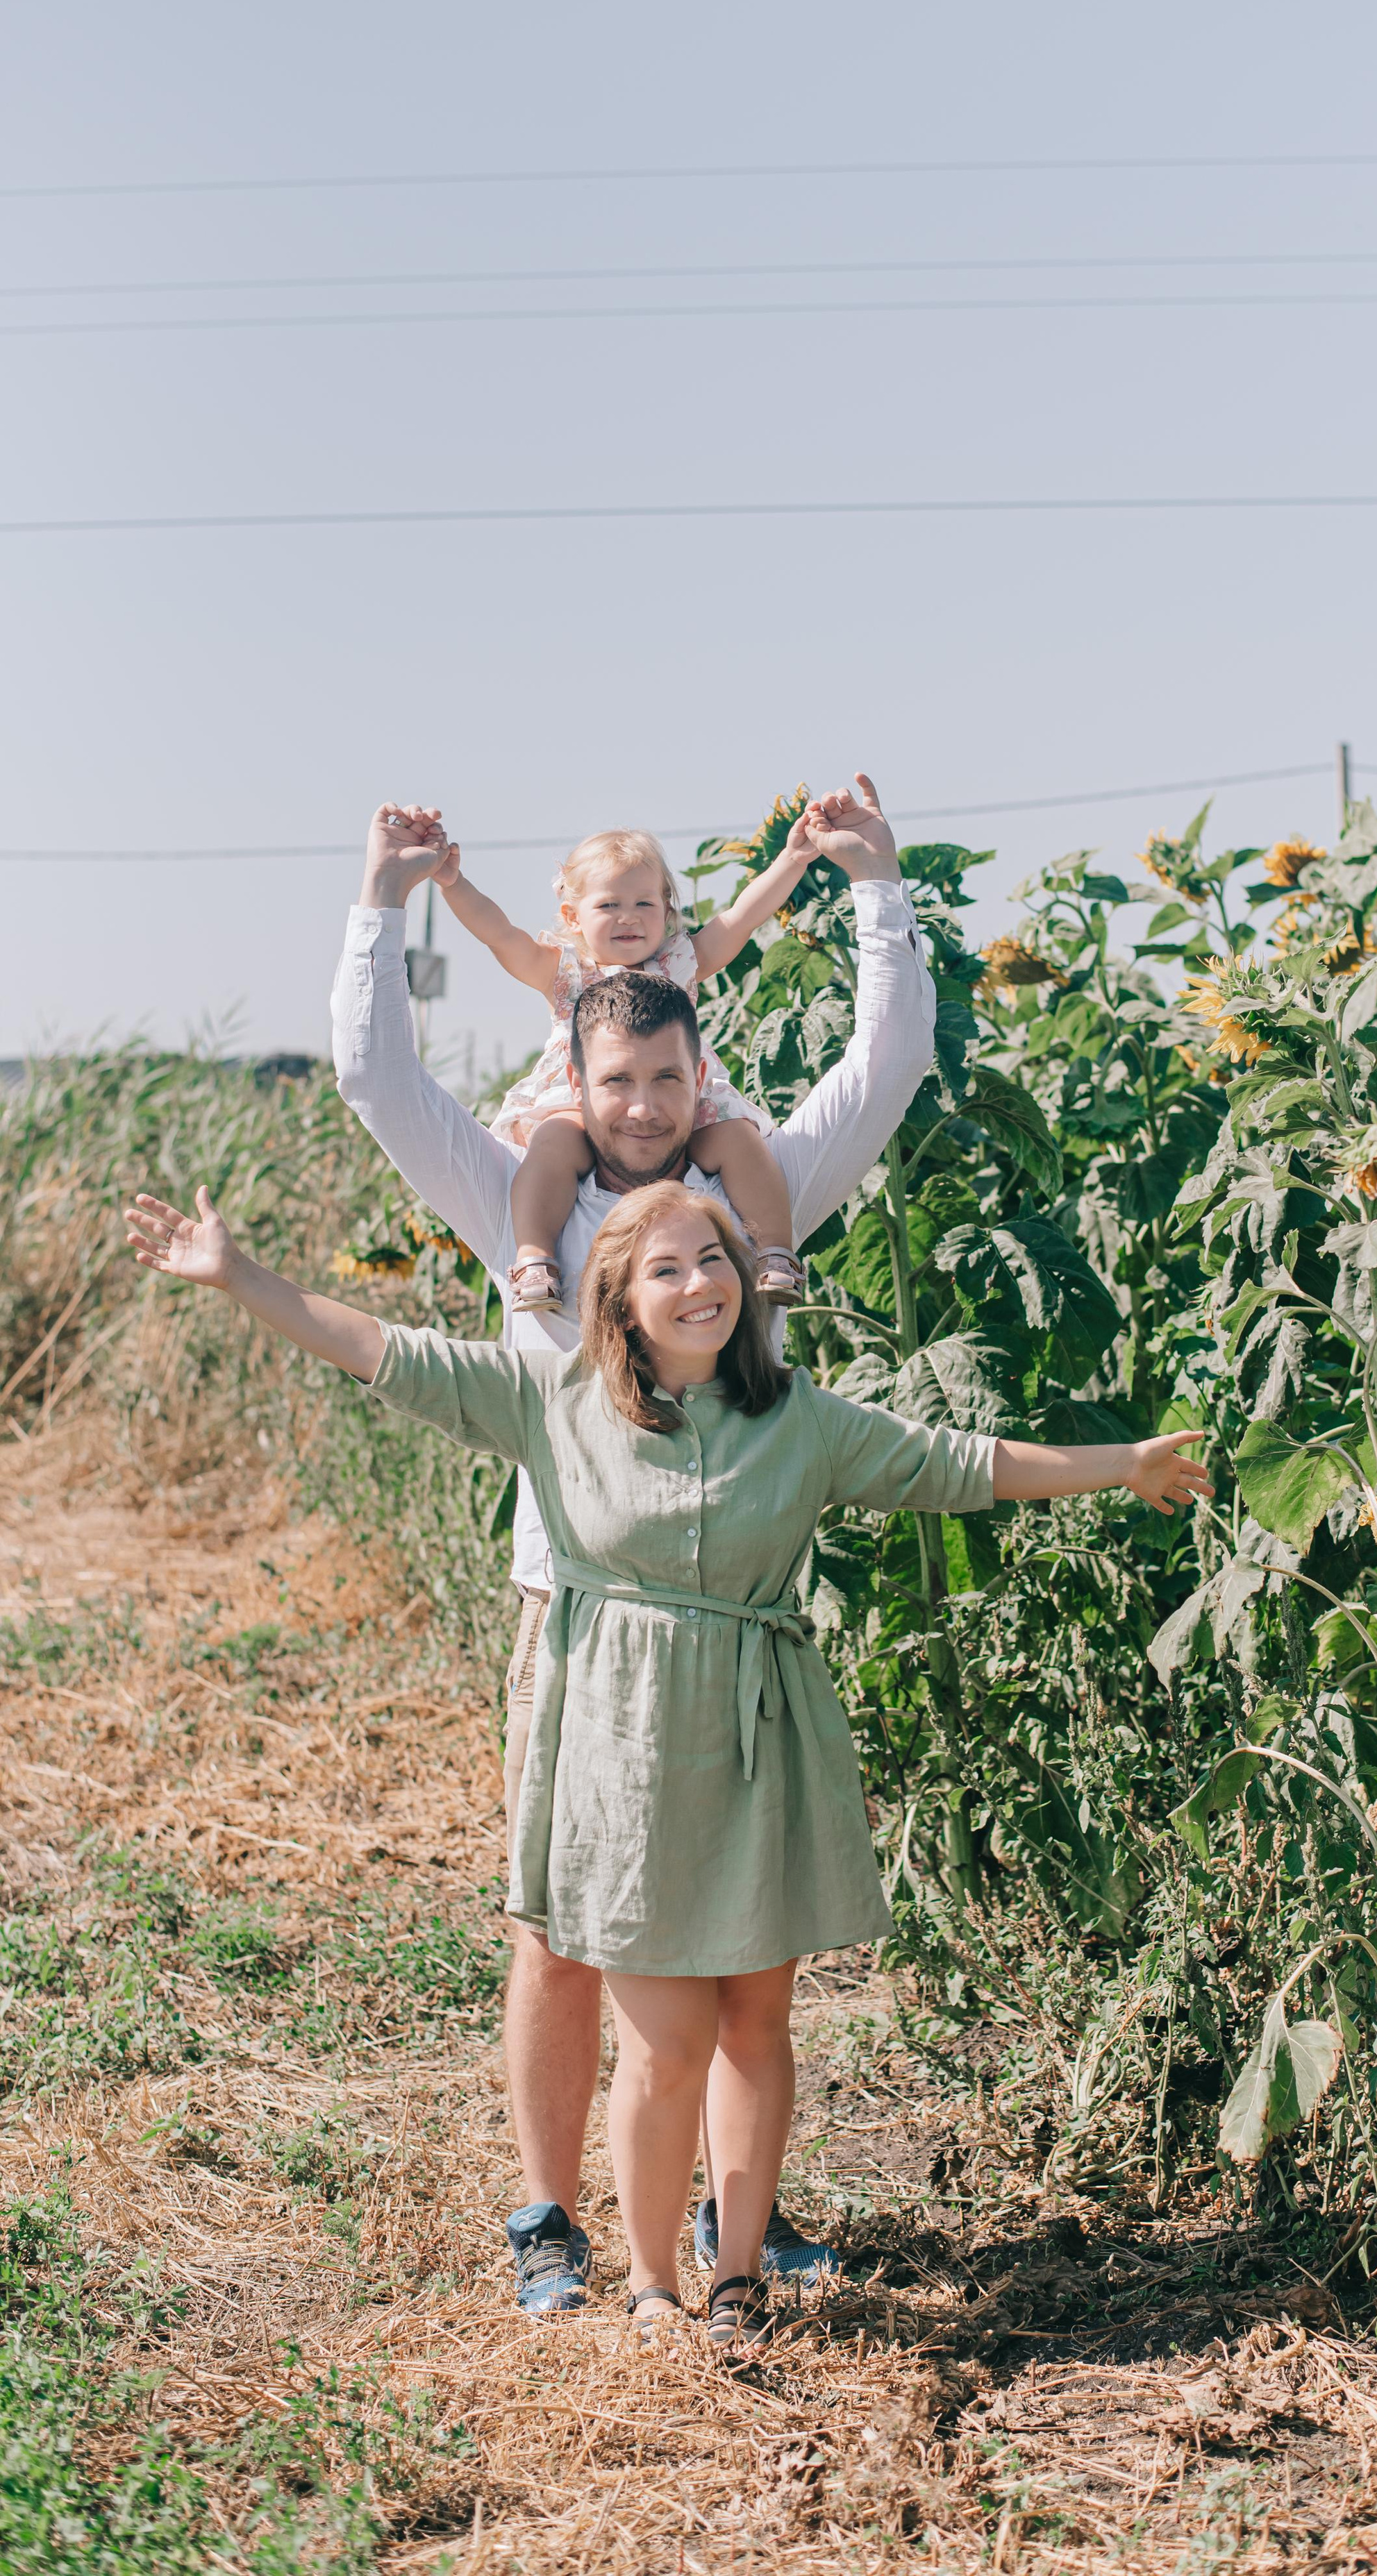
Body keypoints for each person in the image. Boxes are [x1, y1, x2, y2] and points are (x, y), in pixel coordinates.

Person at [124, 1176, 1210, 2348]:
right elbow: (385, 1349)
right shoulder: (551, 1397)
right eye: (668, 1267)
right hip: (620, 1745)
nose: (700, 1283)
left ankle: (737, 2273)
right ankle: (652, 2283)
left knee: (755, 2021)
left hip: (759, 1739)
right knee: (666, 2036)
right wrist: (241, 1276)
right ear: (621, 1302)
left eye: (715, 1258)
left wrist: (1127, 1461)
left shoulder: (800, 1416)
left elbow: (962, 1462)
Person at [331, 780, 939, 2311]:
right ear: (578, 1081)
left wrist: (874, 889)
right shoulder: (521, 1211)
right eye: (617, 1080)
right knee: (563, 1932)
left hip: (738, 1628)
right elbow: (377, 1079)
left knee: (737, 1947)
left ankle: (739, 2230)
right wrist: (381, 904)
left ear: (694, 1069)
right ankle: (552, 2220)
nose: (645, 1102)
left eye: (669, 1075)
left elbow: (886, 1068)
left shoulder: (750, 1208)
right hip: (579, 1613)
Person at [435, 817, 824, 1313]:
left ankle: (775, 1253)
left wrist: (793, 859)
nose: (629, 918)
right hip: (585, 1104)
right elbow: (500, 935)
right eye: (609, 905)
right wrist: (453, 882)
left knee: (739, 1139)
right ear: (573, 917)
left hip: (681, 1099)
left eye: (644, 903)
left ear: (667, 910)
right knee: (553, 1144)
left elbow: (743, 917)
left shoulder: (678, 964)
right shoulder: (567, 973)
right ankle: (534, 1258)